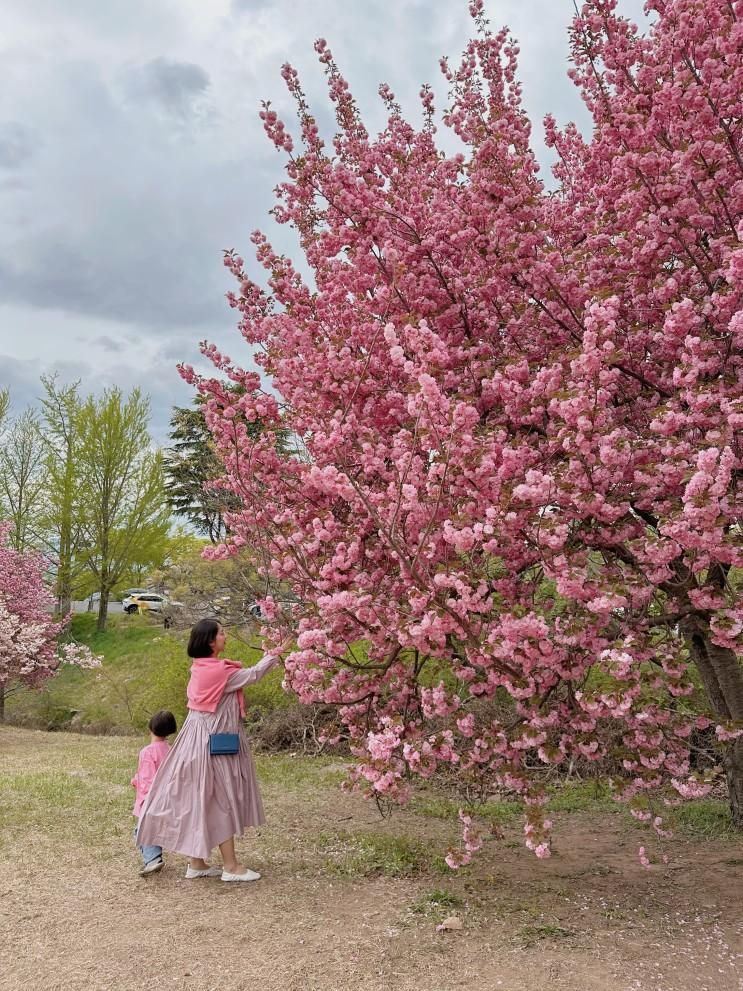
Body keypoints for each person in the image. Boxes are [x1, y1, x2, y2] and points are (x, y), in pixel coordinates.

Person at [136, 618, 287, 882]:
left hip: (196, 742)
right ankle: (231, 866)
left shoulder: (200, 668)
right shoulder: (217, 672)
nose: (225, 637)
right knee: (221, 799)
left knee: (203, 799)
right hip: (212, 745)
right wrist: (272, 656)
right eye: (221, 633)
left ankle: (197, 862)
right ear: (210, 641)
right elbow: (251, 676)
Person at [132, 709, 177, 876]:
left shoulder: (147, 752)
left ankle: (152, 860)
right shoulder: (171, 750)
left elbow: (148, 780)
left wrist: (138, 783)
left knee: (143, 829)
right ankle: (153, 858)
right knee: (152, 828)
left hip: (150, 800)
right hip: (168, 797)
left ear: (150, 727)